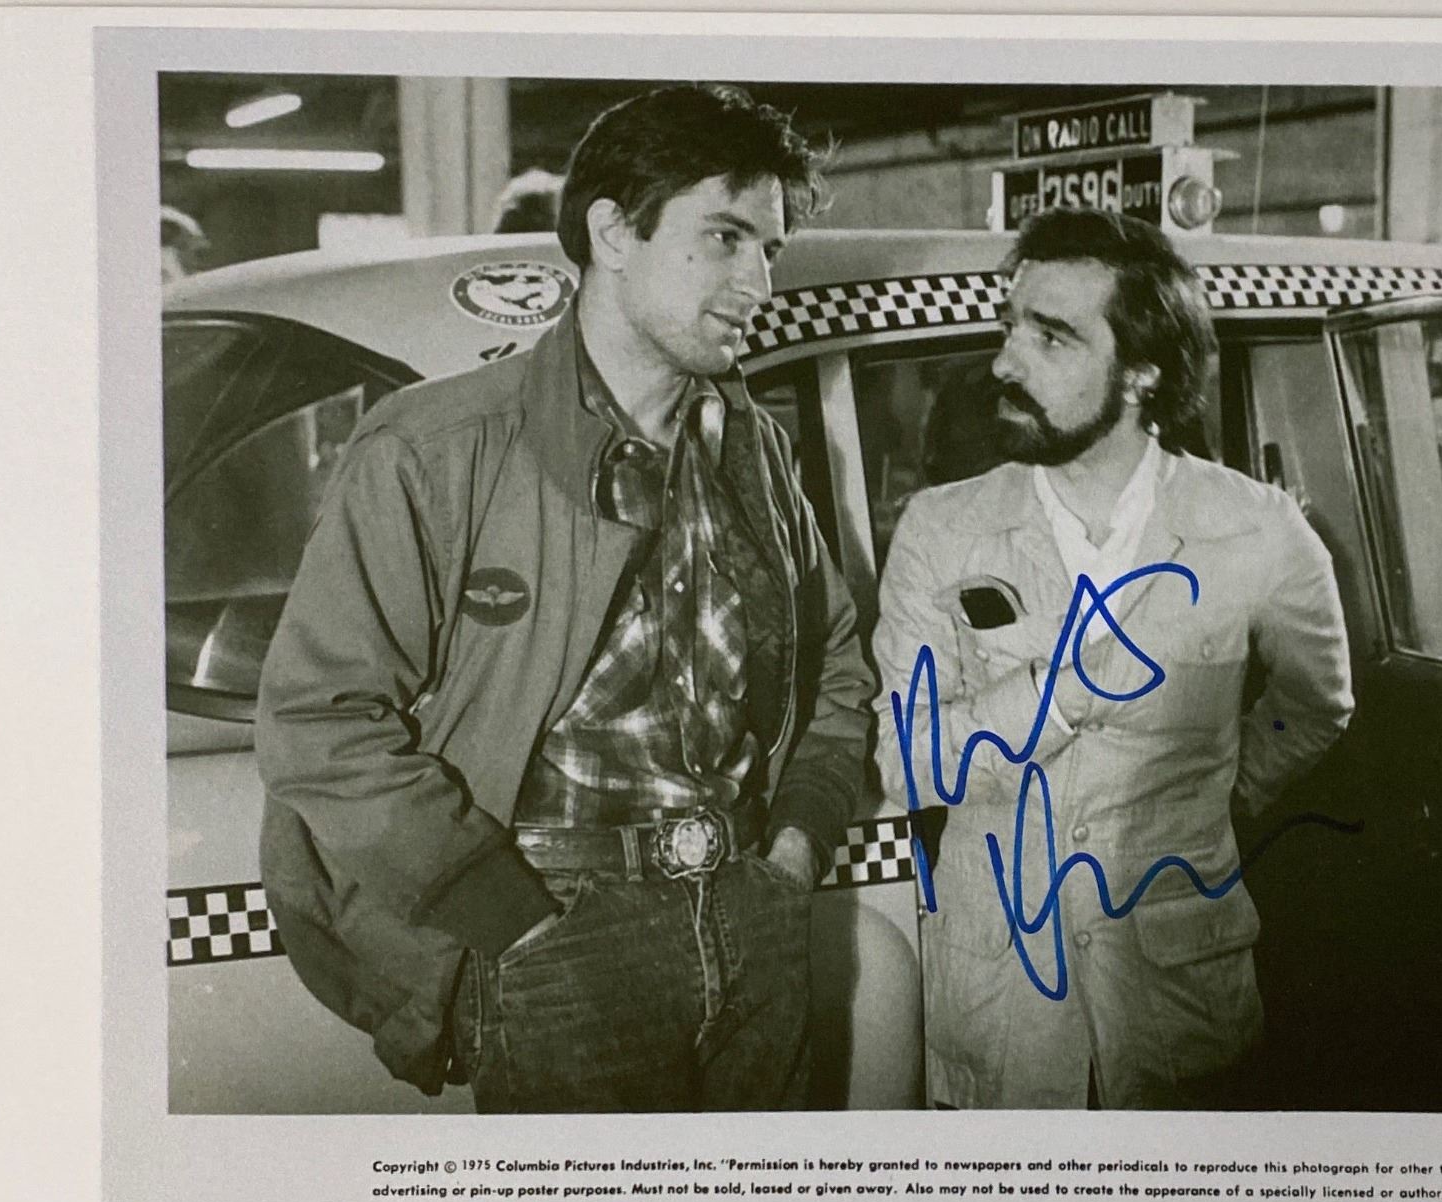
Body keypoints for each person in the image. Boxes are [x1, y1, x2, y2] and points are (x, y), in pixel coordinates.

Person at [256, 84, 873, 1112]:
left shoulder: (752, 450)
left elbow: (837, 671)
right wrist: (511, 921)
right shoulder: (438, 449)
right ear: (613, 232)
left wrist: (795, 851)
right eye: (725, 238)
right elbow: (320, 720)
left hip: (753, 914)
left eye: (770, 249)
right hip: (558, 933)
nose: (759, 282)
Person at [872, 208, 1353, 1110]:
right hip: (1001, 1017)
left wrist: (1213, 795)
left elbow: (1317, 704)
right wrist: (1057, 697)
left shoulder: (1257, 530)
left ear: (1143, 372)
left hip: (1179, 1013)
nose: (1005, 363)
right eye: (1010, 328)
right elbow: (906, 762)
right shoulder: (940, 528)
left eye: (1050, 337)